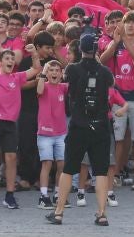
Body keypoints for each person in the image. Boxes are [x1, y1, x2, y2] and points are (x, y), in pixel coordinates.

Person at [49, 31, 117, 225]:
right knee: (101, 171)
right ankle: (102, 213)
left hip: (79, 125)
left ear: (80, 50)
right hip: (101, 126)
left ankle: (59, 212)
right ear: (96, 49)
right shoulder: (104, 72)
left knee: (69, 168)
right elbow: (112, 84)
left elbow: (66, 81)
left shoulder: (72, 69)